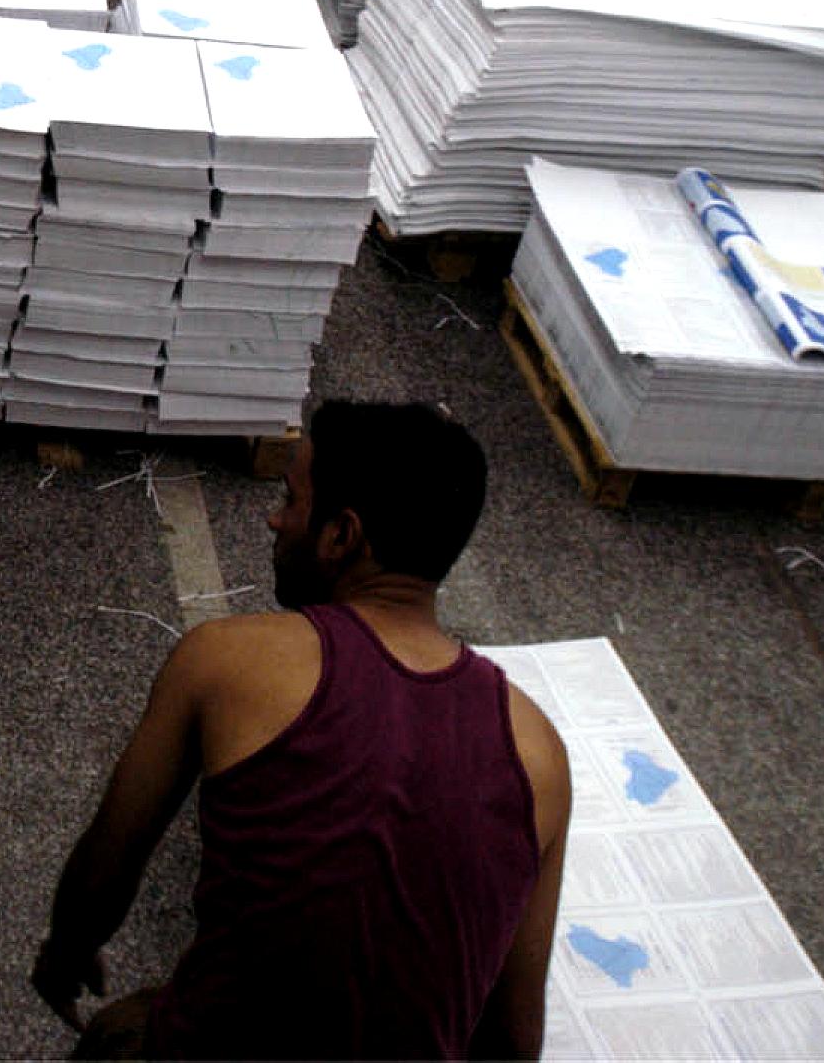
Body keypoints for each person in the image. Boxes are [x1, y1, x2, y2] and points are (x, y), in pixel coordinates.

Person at [32, 401, 572, 1060]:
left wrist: (64, 957)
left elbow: (103, 874)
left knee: (122, 1032)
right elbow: (515, 1038)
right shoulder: (538, 752)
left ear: (342, 536)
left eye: (291, 498)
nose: (274, 517)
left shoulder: (226, 661)